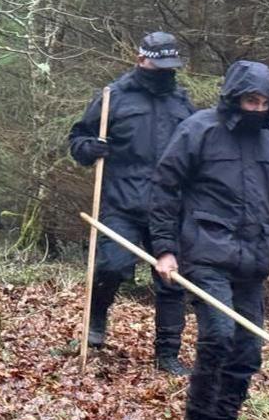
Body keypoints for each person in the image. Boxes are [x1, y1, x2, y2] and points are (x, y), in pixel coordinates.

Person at [149, 60, 269, 420]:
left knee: (247, 351)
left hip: (253, 260)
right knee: (218, 334)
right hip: (205, 251)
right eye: (250, 100)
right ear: (234, 98)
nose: (257, 107)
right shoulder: (199, 129)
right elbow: (164, 188)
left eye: (263, 101)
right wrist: (165, 249)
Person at [69, 32, 195, 375]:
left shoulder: (182, 104)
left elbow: (198, 152)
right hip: (120, 202)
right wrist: (88, 148)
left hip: (168, 208)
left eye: (170, 66)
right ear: (142, 60)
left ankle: (168, 353)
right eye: (158, 64)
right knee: (111, 266)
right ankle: (96, 318)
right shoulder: (114, 97)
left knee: (171, 280)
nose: (165, 72)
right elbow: (78, 138)